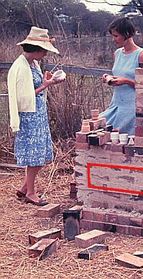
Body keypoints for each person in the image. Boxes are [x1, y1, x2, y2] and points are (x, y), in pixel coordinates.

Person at [7, 26, 64, 206]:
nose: (45, 54)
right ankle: (31, 192)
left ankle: (25, 187)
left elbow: (34, 86)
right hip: (29, 115)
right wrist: (46, 84)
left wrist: (46, 79)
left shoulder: (33, 63)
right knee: (34, 155)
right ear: (36, 49)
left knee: (41, 153)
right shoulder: (21, 66)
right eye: (44, 51)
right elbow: (24, 95)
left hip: (38, 113)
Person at [100, 17, 143, 136]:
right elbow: (120, 74)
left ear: (127, 34)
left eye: (116, 36)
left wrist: (127, 81)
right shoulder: (117, 53)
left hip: (133, 107)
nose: (114, 39)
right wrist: (109, 78)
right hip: (117, 103)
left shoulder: (141, 55)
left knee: (126, 141)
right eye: (113, 36)